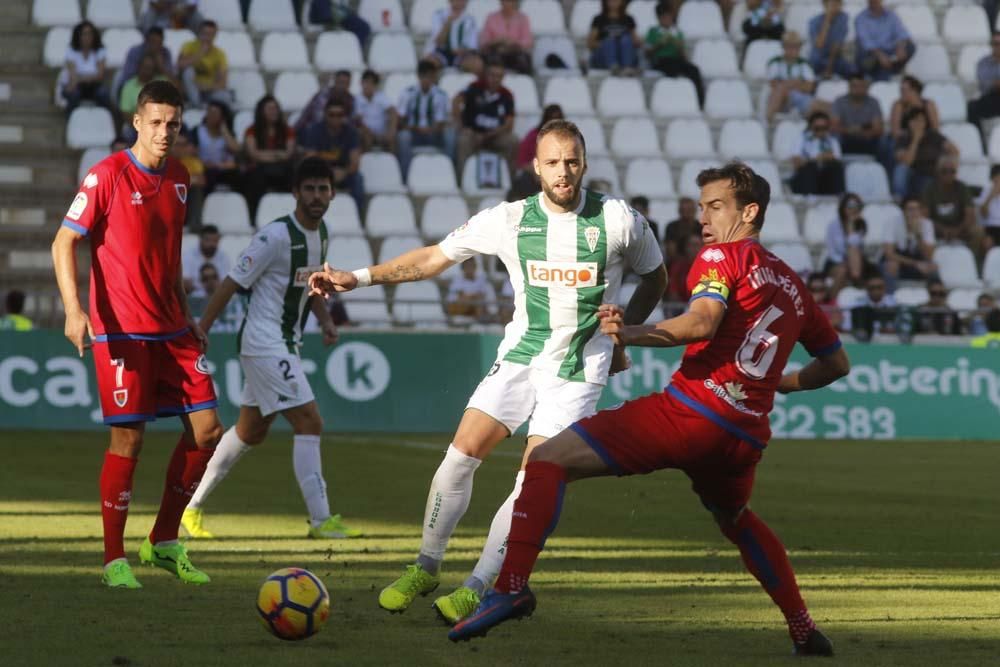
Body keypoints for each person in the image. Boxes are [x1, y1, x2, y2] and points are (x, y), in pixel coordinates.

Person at [447, 161, 847, 660]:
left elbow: (702, 322)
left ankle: (510, 587)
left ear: (750, 212)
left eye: (716, 207)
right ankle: (805, 630)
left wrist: (630, 332)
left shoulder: (722, 256)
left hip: (689, 415)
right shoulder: (792, 284)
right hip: (742, 439)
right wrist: (780, 384)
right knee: (737, 519)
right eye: (701, 207)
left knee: (548, 460)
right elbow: (835, 363)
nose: (703, 218)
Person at [308, 119, 667, 625]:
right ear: (535, 167)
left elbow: (656, 275)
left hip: (577, 369)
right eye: (552, 162)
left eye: (571, 161)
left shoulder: (618, 220)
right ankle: (425, 565)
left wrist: (626, 326)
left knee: (533, 476)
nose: (563, 172)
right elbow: (435, 257)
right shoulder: (510, 219)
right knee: (460, 456)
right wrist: (358, 278)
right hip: (521, 354)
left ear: (583, 162)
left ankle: (478, 585)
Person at [50, 80, 223, 589]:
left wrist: (188, 311)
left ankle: (163, 541)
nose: (164, 132)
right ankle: (113, 558)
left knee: (208, 430)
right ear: (137, 122)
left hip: (172, 326)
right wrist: (73, 311)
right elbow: (64, 242)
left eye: (173, 124)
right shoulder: (105, 175)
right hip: (122, 331)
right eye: (156, 122)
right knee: (129, 438)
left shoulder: (181, 178)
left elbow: (168, 254)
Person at [180, 157, 362, 541]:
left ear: (332, 194)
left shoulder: (321, 233)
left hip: (285, 343)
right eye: (309, 189)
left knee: (250, 431)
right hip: (264, 342)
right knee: (310, 421)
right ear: (295, 193)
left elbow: (310, 285)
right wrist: (203, 327)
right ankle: (321, 520)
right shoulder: (274, 237)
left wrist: (326, 320)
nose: (317, 196)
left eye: (323, 189)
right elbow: (231, 282)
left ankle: (189, 507)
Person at [454, 61, 518, 185]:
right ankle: (461, 181)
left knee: (512, 141)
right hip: (473, 133)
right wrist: (462, 126)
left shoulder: (507, 95)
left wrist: (488, 135)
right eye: (492, 75)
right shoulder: (474, 87)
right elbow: (456, 101)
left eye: (499, 76)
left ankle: (509, 182)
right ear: (486, 75)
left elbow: (509, 123)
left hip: (494, 135)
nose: (495, 79)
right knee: (463, 141)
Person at [297, 99, 365, 214]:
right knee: (305, 178)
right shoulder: (314, 130)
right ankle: (307, 215)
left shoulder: (351, 132)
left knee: (358, 179)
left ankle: (358, 216)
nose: (335, 118)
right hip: (319, 173)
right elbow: (309, 160)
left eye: (339, 115)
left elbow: (355, 163)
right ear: (325, 115)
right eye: (332, 114)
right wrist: (328, 174)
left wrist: (344, 172)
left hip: (343, 172)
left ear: (344, 116)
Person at [396, 60, 454, 179]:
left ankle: (451, 172)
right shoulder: (407, 93)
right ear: (418, 76)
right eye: (424, 77)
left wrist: (431, 129)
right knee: (403, 137)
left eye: (429, 77)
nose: (426, 80)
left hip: (433, 133)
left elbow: (442, 121)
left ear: (433, 78)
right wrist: (415, 128)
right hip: (414, 133)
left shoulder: (441, 95)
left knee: (450, 135)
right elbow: (400, 119)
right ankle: (404, 175)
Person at [243, 95, 296, 221]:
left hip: (282, 169)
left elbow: (288, 153)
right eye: (270, 108)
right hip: (259, 169)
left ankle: (291, 215)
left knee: (293, 175)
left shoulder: (287, 130)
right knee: (254, 178)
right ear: (261, 111)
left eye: (276, 108)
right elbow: (253, 154)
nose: (274, 111)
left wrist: (264, 155)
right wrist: (277, 155)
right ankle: (253, 217)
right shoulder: (251, 130)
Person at [644, 2, 704, 107]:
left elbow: (684, 57)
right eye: (664, 17)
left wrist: (679, 47)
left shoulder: (677, 33)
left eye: (669, 17)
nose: (667, 20)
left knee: (694, 70)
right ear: (659, 18)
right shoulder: (652, 31)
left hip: (676, 60)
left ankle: (700, 102)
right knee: (672, 68)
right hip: (660, 60)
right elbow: (647, 53)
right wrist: (659, 44)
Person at [893, 110, 957, 200]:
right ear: (909, 122)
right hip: (912, 173)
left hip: (931, 173)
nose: (918, 124)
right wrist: (916, 139)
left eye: (921, 121)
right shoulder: (903, 138)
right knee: (900, 169)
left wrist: (948, 168)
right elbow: (907, 161)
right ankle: (900, 199)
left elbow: (954, 151)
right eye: (915, 120)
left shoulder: (933, 136)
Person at [922, 156, 982, 253]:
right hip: (936, 229)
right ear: (938, 172)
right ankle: (929, 260)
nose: (948, 174)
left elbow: (970, 215)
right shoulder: (930, 189)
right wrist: (943, 229)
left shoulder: (962, 188)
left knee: (978, 231)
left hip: (960, 228)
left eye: (952, 171)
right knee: (922, 229)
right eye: (944, 171)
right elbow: (925, 217)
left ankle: (971, 259)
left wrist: (957, 230)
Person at [766, 31, 820, 122]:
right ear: (783, 47)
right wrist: (797, 82)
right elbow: (773, 84)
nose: (792, 49)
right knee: (780, 90)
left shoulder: (804, 64)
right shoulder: (775, 62)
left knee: (810, 102)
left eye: (795, 47)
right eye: (789, 46)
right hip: (781, 99)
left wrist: (786, 84)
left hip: (799, 97)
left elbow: (809, 87)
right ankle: (770, 118)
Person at [62, 21, 113, 116]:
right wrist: (90, 77)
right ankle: (70, 121)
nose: (87, 37)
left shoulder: (100, 50)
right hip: (76, 86)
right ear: (78, 36)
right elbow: (73, 77)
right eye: (84, 34)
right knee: (73, 94)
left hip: (94, 87)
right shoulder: (71, 50)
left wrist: (81, 78)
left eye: (90, 34)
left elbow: (100, 76)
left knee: (104, 94)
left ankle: (105, 120)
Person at [854, 0, 914, 81]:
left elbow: (902, 33)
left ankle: (892, 69)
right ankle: (884, 72)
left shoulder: (891, 15)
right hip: (872, 53)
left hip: (890, 51)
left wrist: (900, 46)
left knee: (910, 47)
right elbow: (865, 41)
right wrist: (880, 55)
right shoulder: (861, 18)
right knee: (865, 56)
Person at [824, 193, 872, 293]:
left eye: (856, 206)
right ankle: (832, 301)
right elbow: (832, 250)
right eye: (850, 206)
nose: (853, 209)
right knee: (843, 270)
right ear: (843, 207)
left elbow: (855, 246)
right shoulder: (833, 225)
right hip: (835, 261)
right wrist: (844, 263)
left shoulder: (861, 225)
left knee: (853, 252)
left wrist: (851, 226)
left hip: (855, 262)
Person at [177, 20, 232, 107]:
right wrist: (200, 54)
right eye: (204, 34)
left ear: (215, 35)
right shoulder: (188, 46)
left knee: (225, 97)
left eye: (210, 35)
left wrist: (206, 87)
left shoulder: (220, 54)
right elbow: (180, 65)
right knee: (188, 71)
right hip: (190, 89)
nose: (207, 37)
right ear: (199, 33)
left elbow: (223, 83)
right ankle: (197, 104)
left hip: (208, 90)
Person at [191, 101, 241, 195]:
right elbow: (191, 152)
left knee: (239, 175)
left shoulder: (228, 133)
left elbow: (236, 150)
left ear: (222, 117)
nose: (211, 116)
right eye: (209, 112)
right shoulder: (197, 131)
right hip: (203, 167)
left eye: (215, 113)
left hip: (222, 167)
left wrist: (224, 131)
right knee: (207, 175)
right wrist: (204, 164)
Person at [882, 196, 936, 284]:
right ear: (903, 211)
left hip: (917, 257)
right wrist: (915, 264)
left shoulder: (927, 224)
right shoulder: (891, 223)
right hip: (899, 259)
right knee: (891, 266)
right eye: (910, 209)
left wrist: (918, 235)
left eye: (917, 209)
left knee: (933, 267)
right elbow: (889, 254)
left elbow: (929, 256)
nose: (914, 212)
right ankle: (890, 295)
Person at [790, 111, 845, 195]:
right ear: (811, 127)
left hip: (825, 176)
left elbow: (837, 159)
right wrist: (816, 159)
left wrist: (818, 158)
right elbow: (797, 161)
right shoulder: (801, 138)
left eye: (824, 128)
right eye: (817, 128)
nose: (821, 131)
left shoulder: (833, 141)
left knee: (836, 168)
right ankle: (809, 199)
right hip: (807, 176)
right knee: (810, 168)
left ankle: (837, 197)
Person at [831, 75, 884, 157]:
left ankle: (883, 168)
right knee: (835, 138)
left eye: (861, 86)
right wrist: (849, 131)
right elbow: (834, 126)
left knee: (883, 141)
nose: (858, 89)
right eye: (855, 86)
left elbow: (878, 128)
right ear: (849, 87)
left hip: (867, 138)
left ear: (866, 88)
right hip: (845, 137)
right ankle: (836, 166)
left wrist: (862, 133)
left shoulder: (873, 102)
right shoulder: (839, 101)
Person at [425, 0, 483, 76]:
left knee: (477, 65)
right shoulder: (439, 15)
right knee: (428, 64)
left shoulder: (470, 19)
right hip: (442, 53)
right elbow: (438, 41)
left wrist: (462, 50)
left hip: (461, 55)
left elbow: (472, 46)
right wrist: (448, 22)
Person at [479, 0, 534, 74]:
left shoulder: (522, 18)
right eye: (505, 1)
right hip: (496, 52)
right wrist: (498, 41)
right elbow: (484, 41)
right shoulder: (491, 17)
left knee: (524, 59)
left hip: (514, 53)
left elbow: (527, 41)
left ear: (515, 2)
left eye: (510, 1)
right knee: (486, 58)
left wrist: (512, 42)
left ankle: (523, 82)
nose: (507, 3)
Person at [587, 0, 641, 74]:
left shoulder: (628, 19)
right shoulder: (599, 19)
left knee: (625, 40)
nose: (613, 2)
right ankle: (613, 67)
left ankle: (627, 67)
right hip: (604, 56)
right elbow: (590, 44)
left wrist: (621, 42)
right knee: (609, 41)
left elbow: (636, 42)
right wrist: (605, 43)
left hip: (623, 53)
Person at [119, 26, 175, 95]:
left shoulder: (166, 53)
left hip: (156, 90)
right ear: (146, 41)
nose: (155, 46)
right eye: (153, 42)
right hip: (134, 88)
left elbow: (172, 81)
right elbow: (128, 77)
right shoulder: (135, 52)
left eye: (158, 43)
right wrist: (146, 68)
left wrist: (161, 67)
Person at [967, 34, 1000, 148]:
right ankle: (979, 144)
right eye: (995, 44)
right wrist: (995, 84)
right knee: (972, 107)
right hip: (991, 98)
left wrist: (995, 82)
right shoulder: (983, 63)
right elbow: (984, 85)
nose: (998, 47)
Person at [889, 76, 941, 147]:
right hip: (905, 141)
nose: (901, 93)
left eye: (904, 90)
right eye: (901, 90)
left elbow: (935, 129)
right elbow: (895, 132)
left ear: (914, 90)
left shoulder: (929, 105)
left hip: (927, 139)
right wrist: (914, 135)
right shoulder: (898, 106)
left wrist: (921, 135)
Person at [354, 69, 398, 152]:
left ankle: (392, 163)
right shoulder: (357, 99)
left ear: (375, 85)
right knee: (365, 136)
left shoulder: (381, 97)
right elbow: (358, 121)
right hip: (367, 133)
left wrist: (391, 131)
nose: (368, 86)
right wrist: (370, 133)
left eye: (371, 83)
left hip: (382, 134)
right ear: (361, 83)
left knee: (392, 139)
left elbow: (393, 112)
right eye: (366, 82)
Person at [844, 273, 898, 339]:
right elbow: (848, 327)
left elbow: (899, 326)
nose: (876, 291)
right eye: (872, 288)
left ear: (885, 288)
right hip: (863, 341)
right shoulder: (858, 304)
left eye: (879, 287)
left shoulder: (893, 304)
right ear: (866, 289)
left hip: (888, 340)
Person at [808, 0, 851, 79]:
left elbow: (836, 45)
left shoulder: (842, 18)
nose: (837, 5)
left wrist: (828, 69)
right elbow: (819, 44)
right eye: (833, 3)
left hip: (835, 58)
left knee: (850, 67)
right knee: (814, 61)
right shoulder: (814, 21)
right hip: (818, 58)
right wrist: (827, 19)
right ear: (825, 4)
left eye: (838, 3)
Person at [183, 224, 231, 294]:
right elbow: (185, 283)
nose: (211, 244)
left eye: (215, 240)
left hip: (217, 297)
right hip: (193, 298)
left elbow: (226, 284)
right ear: (200, 239)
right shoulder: (188, 255)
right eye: (208, 240)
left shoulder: (224, 257)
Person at [975, 163, 1000, 252]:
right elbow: (983, 214)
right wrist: (991, 197)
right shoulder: (986, 191)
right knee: (987, 242)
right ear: (992, 178)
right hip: (990, 228)